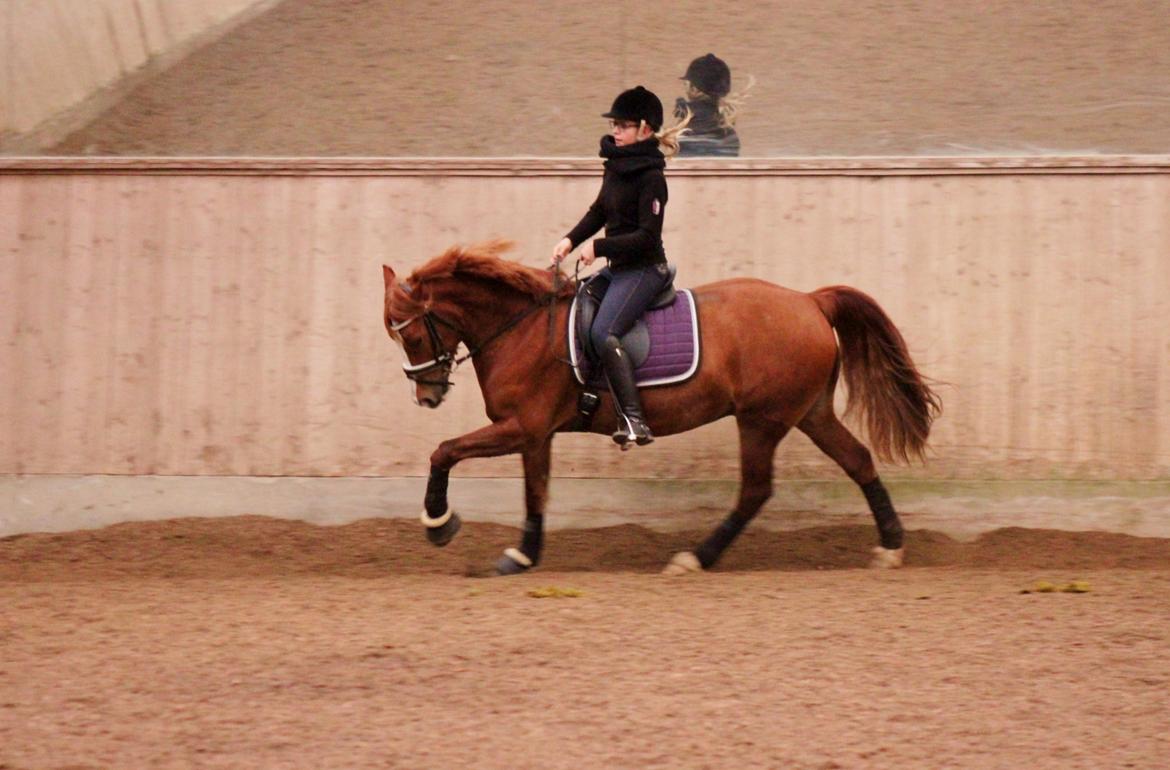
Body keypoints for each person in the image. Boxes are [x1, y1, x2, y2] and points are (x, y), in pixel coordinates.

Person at [551, 85, 689, 447]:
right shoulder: (616, 167)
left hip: (644, 270)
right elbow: (599, 211)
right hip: (619, 268)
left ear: (645, 129)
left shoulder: (652, 179)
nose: (616, 131)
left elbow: (646, 237)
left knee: (603, 333)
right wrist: (570, 240)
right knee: (577, 307)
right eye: (614, 124)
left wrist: (598, 247)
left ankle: (634, 420)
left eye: (623, 125)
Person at [674, 53, 749, 157]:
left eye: (686, 84)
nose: (685, 89)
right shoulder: (730, 137)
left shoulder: (682, 133)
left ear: (694, 89)